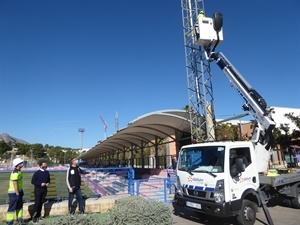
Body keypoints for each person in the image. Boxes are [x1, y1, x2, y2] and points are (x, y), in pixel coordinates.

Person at [6, 158, 25, 225]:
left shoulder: (19, 172)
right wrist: (17, 194)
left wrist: (21, 191)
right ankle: (9, 222)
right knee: (12, 208)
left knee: (19, 206)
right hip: (14, 193)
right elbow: (15, 185)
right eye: (21, 163)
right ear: (17, 164)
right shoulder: (15, 173)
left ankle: (20, 219)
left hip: (18, 192)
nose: (22, 164)